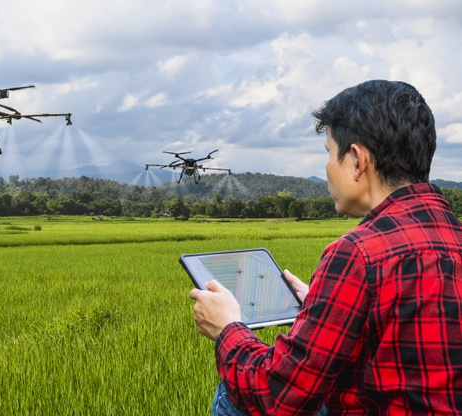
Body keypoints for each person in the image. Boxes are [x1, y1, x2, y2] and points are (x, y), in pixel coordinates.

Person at [190, 80, 462, 415]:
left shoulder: (359, 253)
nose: (327, 168)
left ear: (357, 160)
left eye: (330, 153)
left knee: (236, 395)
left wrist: (226, 330)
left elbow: (278, 395)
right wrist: (321, 305)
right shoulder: (453, 234)